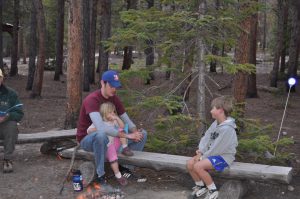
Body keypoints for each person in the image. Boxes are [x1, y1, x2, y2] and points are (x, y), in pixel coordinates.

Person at [76, 70, 147, 187]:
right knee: (101, 136)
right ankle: (100, 176)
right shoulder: (92, 99)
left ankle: (124, 169)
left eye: (116, 86)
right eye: (111, 86)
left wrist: (135, 132)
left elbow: (126, 120)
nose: (114, 89)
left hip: (111, 139)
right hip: (88, 139)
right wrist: (127, 135)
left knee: (142, 133)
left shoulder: (114, 98)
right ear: (102, 83)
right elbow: (100, 128)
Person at [186, 96, 238, 199]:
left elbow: (218, 148)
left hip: (223, 157)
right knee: (190, 163)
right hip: (210, 154)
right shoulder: (215, 124)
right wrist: (201, 151)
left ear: (220, 110)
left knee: (198, 166)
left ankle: (213, 190)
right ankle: (201, 186)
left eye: (213, 108)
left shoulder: (227, 129)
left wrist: (202, 157)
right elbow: (206, 138)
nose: (210, 111)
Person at [87, 102, 134, 186]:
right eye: (110, 112)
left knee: (121, 131)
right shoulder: (99, 122)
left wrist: (117, 118)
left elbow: (122, 126)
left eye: (114, 112)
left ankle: (125, 147)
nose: (113, 114)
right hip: (107, 145)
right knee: (113, 157)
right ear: (104, 113)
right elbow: (89, 131)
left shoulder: (113, 120)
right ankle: (118, 175)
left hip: (115, 142)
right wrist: (99, 129)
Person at [0, 69, 24, 173]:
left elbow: (19, 113)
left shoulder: (11, 94)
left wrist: (8, 116)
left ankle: (7, 160)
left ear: (2, 79)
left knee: (12, 126)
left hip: (4, 126)